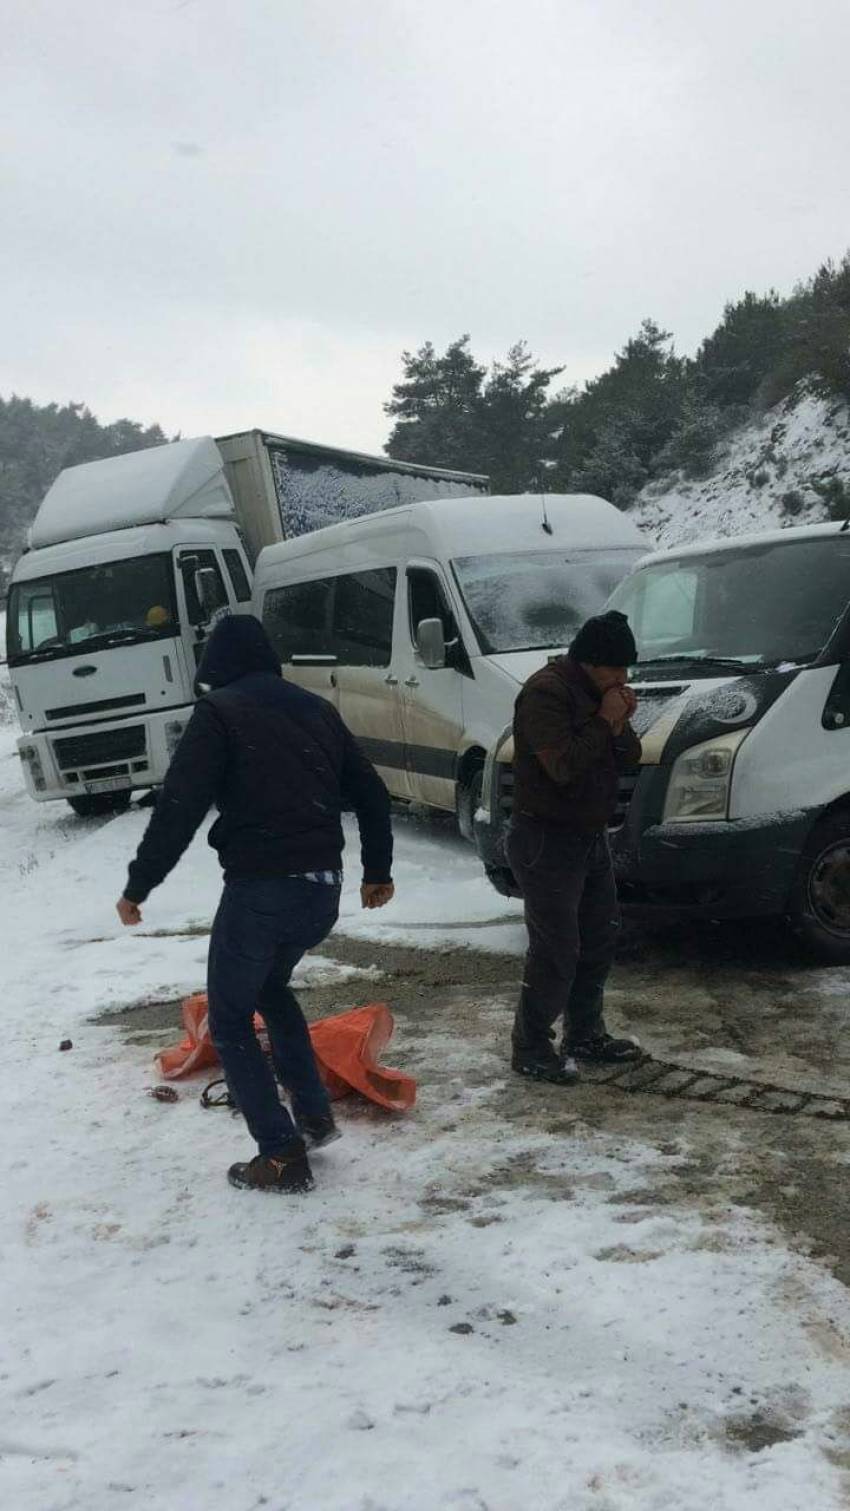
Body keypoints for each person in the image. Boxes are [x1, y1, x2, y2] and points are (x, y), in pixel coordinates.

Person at [116, 614, 394, 1194]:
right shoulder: (316, 710)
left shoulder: (220, 713)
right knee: (270, 989)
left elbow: (179, 807)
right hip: (321, 891)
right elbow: (370, 789)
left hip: (263, 889)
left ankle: (281, 1154)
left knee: (232, 1016)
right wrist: (376, 870)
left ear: (216, 664)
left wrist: (140, 884)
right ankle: (314, 1118)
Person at [508, 609, 642, 1085]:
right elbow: (560, 767)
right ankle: (530, 1045)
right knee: (556, 947)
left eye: (627, 670)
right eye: (615, 669)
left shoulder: (597, 696)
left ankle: (584, 1034)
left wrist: (621, 725)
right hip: (545, 837)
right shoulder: (546, 693)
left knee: (599, 935)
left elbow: (631, 757)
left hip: (587, 836)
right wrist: (604, 723)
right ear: (589, 662)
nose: (622, 679)